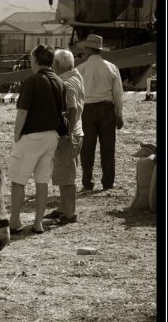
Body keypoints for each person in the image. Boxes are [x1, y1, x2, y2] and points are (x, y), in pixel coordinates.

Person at [7, 44, 62, 234]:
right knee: (42, 181)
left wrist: (16, 134)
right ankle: (38, 223)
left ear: (36, 60)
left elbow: (23, 111)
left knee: (18, 180)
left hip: (32, 136)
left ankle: (14, 221)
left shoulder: (32, 80)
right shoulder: (59, 81)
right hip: (51, 136)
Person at [76, 34, 124, 191]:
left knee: (87, 149)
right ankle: (108, 183)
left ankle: (87, 182)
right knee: (108, 148)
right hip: (107, 110)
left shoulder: (80, 69)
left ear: (89, 49)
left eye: (85, 49)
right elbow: (118, 94)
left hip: (87, 110)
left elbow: (76, 94)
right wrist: (119, 114)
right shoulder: (111, 68)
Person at [45, 49, 85, 225]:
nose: (52, 67)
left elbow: (73, 109)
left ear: (58, 64)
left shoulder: (66, 83)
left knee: (67, 175)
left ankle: (70, 213)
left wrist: (65, 132)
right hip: (77, 132)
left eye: (54, 63)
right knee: (63, 172)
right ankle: (63, 208)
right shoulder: (77, 77)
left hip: (69, 135)